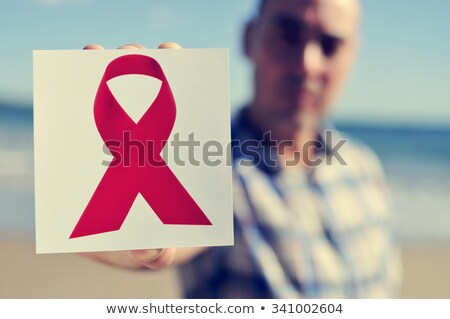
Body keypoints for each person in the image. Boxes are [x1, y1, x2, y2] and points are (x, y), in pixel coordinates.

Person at [82, 0, 401, 298]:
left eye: (330, 44)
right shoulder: (202, 164)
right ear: (250, 39)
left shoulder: (365, 168)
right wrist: (128, 238)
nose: (308, 63)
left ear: (354, 54)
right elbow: (157, 242)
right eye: (288, 35)